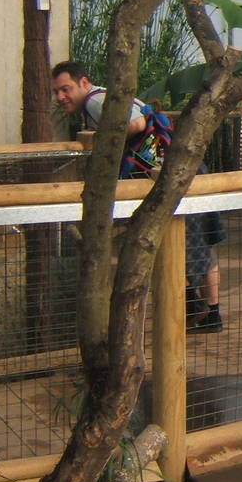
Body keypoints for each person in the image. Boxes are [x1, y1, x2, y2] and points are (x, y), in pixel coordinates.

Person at [51, 62, 224, 332]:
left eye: (66, 89)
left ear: (84, 83)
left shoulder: (94, 103)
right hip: (185, 166)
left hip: (166, 175)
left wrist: (104, 139)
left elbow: (137, 123)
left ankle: (191, 308)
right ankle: (211, 313)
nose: (61, 97)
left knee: (179, 243)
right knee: (201, 242)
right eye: (57, 92)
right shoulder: (109, 94)